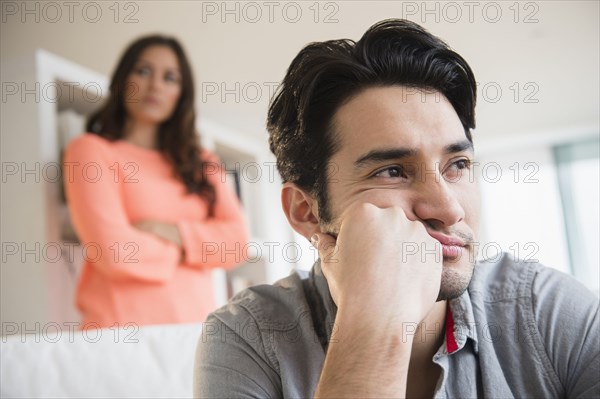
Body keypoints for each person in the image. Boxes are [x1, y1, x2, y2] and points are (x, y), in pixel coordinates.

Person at [193, 19, 599, 398]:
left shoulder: (549, 310)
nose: (449, 208)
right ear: (306, 211)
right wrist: (374, 322)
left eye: (457, 165)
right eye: (392, 171)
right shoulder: (244, 337)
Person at [63, 35, 248, 328]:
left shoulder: (202, 161)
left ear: (181, 92)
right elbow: (113, 253)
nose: (155, 85)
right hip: (117, 336)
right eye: (143, 71)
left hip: (194, 335)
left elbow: (237, 244)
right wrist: (193, 251)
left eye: (170, 77)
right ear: (124, 79)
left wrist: (168, 232)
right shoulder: (90, 151)